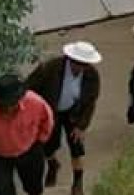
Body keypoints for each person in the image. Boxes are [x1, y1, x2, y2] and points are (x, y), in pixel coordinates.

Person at [25, 41, 102, 195]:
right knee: (49, 144)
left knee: (77, 146)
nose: (79, 68)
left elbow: (90, 101)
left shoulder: (91, 76)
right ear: (69, 59)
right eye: (77, 63)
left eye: (84, 64)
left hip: (74, 113)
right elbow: (29, 88)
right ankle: (53, 163)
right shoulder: (50, 68)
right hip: (50, 112)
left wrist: (82, 126)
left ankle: (77, 182)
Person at [0, 74, 54, 195]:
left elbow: (47, 119)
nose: (7, 108)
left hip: (30, 150)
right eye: (3, 104)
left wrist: (41, 140)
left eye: (10, 103)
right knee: (1, 191)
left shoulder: (35, 103)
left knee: (34, 187)